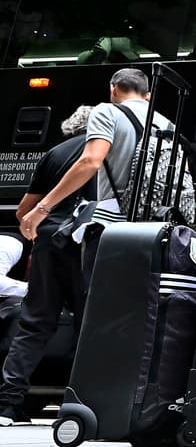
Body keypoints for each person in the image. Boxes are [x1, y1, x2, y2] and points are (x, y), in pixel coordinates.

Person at [17, 69, 173, 291]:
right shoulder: (166, 124)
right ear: (147, 95)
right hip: (152, 226)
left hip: (112, 226)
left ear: (113, 88)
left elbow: (90, 161)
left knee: (98, 301)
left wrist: (43, 208)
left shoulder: (107, 111)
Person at [0, 106, 96, 426]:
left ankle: (8, 404)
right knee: (90, 324)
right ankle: (80, 403)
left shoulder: (54, 152)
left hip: (48, 241)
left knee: (34, 323)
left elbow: (23, 211)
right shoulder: (107, 153)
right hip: (87, 243)